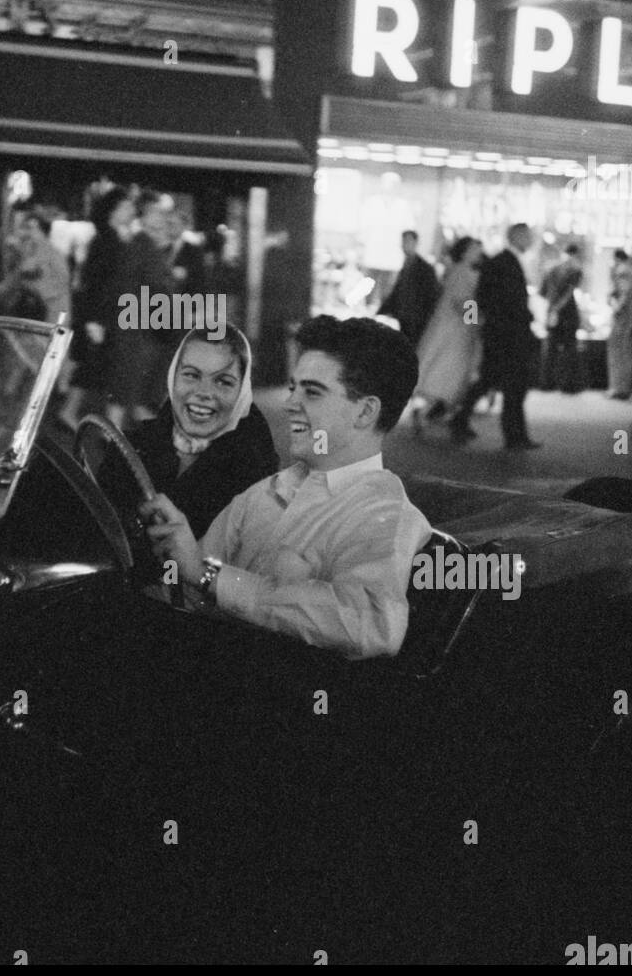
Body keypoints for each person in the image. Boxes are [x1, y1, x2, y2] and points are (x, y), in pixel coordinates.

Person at [142, 316, 431, 659]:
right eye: (293, 388)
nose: (290, 403)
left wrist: (210, 577)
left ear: (365, 412)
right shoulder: (264, 493)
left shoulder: (385, 514)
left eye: (311, 392)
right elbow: (182, 589)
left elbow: (370, 624)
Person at [100, 325, 279, 539]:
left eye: (223, 381)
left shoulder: (258, 475)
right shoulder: (128, 448)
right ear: (172, 378)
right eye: (191, 375)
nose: (203, 392)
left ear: (242, 391)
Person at [449, 223, 540, 450]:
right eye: (527, 236)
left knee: (490, 379)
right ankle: (514, 435)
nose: (531, 240)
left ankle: (463, 419)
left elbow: (478, 299)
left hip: (498, 333)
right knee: (512, 385)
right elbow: (472, 300)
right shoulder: (500, 264)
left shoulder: (497, 263)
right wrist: (474, 322)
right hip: (506, 335)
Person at [63, 186, 135, 425]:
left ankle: (74, 413)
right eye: (126, 207)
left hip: (105, 315)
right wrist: (95, 320)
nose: (131, 211)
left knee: (93, 367)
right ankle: (76, 414)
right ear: (113, 211)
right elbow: (96, 283)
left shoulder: (112, 237)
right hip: (102, 316)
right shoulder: (107, 240)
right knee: (95, 367)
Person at [107, 190, 179, 428]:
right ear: (146, 216)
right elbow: (157, 286)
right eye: (158, 213)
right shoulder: (143, 245)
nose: (163, 218)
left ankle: (115, 435)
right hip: (138, 326)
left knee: (131, 384)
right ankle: (112, 438)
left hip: (135, 323)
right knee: (131, 383)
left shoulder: (140, 244)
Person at [412, 236, 483, 429]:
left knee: (445, 366)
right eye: (476, 249)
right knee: (449, 368)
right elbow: (462, 301)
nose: (479, 253)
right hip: (456, 330)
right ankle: (432, 409)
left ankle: (432, 409)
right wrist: (475, 321)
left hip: (453, 326)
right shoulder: (463, 272)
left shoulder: (459, 271)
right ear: (466, 251)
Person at [377, 230, 440, 347]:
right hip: (406, 317)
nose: (404, 245)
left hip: (415, 319)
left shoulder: (424, 269)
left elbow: (430, 296)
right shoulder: (409, 265)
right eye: (404, 241)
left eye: (407, 241)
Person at [539, 243, 583, 393]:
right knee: (569, 349)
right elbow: (569, 294)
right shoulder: (575, 270)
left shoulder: (550, 269)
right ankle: (567, 384)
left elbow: (543, 292)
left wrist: (552, 309)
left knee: (551, 348)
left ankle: (547, 382)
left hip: (552, 312)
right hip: (567, 314)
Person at [607, 249, 632, 399]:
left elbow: (624, 293)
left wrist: (615, 308)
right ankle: (625, 388)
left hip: (623, 319)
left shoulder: (622, 271)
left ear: (617, 259)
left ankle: (617, 388)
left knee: (617, 353)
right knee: (627, 355)